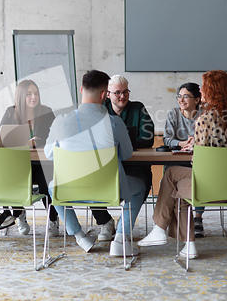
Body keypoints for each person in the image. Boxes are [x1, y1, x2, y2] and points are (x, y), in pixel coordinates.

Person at [138, 70, 227, 259]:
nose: (200, 89)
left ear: (212, 91)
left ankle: (161, 229)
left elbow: (198, 161)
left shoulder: (205, 120)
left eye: (203, 86)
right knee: (179, 188)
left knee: (172, 177)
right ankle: (185, 243)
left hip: (210, 189)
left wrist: (194, 147)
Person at [44, 70, 146, 256]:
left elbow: (50, 154)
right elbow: (126, 154)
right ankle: (120, 240)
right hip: (107, 189)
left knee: (53, 187)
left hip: (71, 189)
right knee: (140, 186)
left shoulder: (61, 122)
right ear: (103, 94)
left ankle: (79, 236)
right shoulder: (113, 123)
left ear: (82, 89)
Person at [91, 75, 154, 241]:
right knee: (89, 175)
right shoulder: (98, 109)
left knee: (146, 177)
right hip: (104, 164)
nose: (122, 96)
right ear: (108, 94)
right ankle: (105, 221)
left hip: (133, 164)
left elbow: (148, 138)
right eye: (117, 92)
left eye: (125, 92)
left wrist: (121, 144)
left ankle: (124, 225)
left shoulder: (138, 108)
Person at [0, 79, 59, 237]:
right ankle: (19, 215)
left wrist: (37, 142)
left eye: (36, 93)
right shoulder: (11, 112)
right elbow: (1, 140)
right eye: (29, 94)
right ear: (20, 96)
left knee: (47, 182)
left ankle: (53, 219)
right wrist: (22, 143)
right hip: (18, 163)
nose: (34, 97)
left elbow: (55, 137)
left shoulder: (46, 112)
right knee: (10, 182)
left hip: (41, 162)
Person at [163, 82, 205, 237]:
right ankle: (176, 220)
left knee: (200, 176)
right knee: (171, 175)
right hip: (178, 157)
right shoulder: (173, 113)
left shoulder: (205, 115)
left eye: (186, 96)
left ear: (197, 99)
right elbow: (167, 139)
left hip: (199, 158)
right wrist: (182, 143)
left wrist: (196, 142)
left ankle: (197, 218)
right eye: (179, 96)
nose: (181, 100)